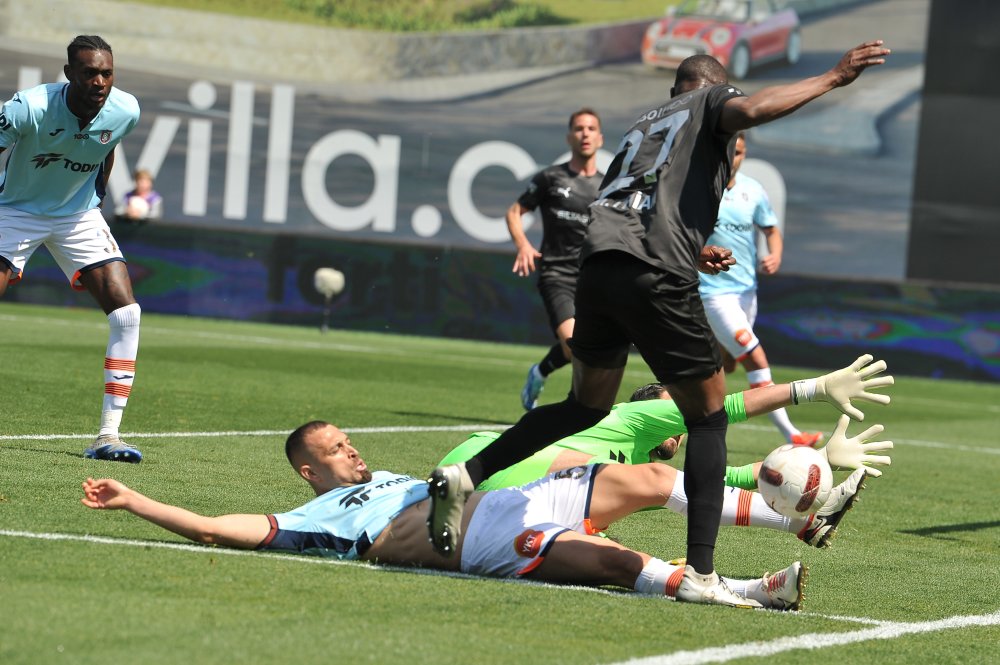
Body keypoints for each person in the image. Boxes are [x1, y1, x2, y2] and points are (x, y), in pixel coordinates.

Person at [427, 41, 893, 607]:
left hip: (599, 271)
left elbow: (633, 208)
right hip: (654, 275)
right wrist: (833, 77)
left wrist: (693, 253)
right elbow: (754, 108)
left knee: (585, 406)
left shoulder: (641, 127)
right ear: (714, 89)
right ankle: (700, 573)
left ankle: (467, 476)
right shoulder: (711, 104)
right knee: (708, 416)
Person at [81, 421, 806, 610]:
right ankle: (745, 591)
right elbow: (221, 529)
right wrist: (136, 499)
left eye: (348, 439)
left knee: (647, 475)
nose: (352, 450)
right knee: (615, 564)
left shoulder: (390, 473)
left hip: (496, 501)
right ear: (310, 469)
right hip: (479, 540)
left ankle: (797, 520)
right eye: (336, 447)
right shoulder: (323, 515)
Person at [440, 355, 893, 548]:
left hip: (499, 508)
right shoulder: (634, 418)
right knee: (655, 490)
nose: (681, 422)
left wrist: (821, 465)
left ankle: (787, 545)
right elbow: (729, 406)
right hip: (482, 483)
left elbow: (728, 478)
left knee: (628, 511)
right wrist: (813, 388)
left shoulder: (633, 459)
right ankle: (802, 525)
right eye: (673, 411)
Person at [0, 35, 143, 462]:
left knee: (126, 311)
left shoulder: (126, 110)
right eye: (89, 73)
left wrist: (94, 197)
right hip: (14, 210)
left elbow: (108, 147)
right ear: (69, 74)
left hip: (77, 215)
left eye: (107, 73)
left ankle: (108, 437)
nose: (100, 81)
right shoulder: (29, 107)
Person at [699, 134, 821, 447]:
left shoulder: (753, 191)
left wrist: (775, 253)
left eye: (738, 152)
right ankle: (792, 435)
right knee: (756, 358)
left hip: (746, 292)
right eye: (728, 151)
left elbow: (770, 229)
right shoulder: (698, 187)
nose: (733, 158)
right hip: (713, 293)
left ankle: (685, 422)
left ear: (744, 154)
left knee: (723, 364)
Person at [506, 108, 604, 410]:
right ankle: (576, 412)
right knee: (576, 347)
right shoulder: (551, 178)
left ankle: (540, 371)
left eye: (590, 129)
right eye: (578, 128)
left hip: (594, 279)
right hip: (557, 275)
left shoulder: (608, 186)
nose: (585, 133)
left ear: (600, 138)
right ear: (569, 137)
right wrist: (523, 244)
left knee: (589, 347)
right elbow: (514, 212)